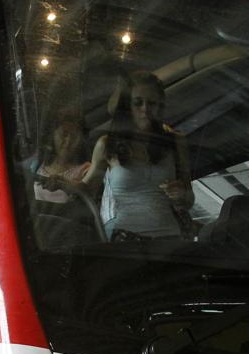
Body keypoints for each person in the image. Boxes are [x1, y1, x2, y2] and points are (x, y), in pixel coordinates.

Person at [82, 70, 194, 239]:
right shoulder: (107, 144)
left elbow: (189, 200)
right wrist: (64, 184)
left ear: (160, 105)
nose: (145, 109)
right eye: (138, 103)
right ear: (128, 106)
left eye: (152, 103)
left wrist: (181, 195)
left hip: (169, 240)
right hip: (125, 239)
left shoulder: (176, 142)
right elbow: (87, 189)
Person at [33, 111, 91, 204]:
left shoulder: (86, 170)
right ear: (53, 135)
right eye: (64, 134)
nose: (68, 142)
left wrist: (65, 185)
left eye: (75, 136)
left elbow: (86, 193)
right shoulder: (37, 164)